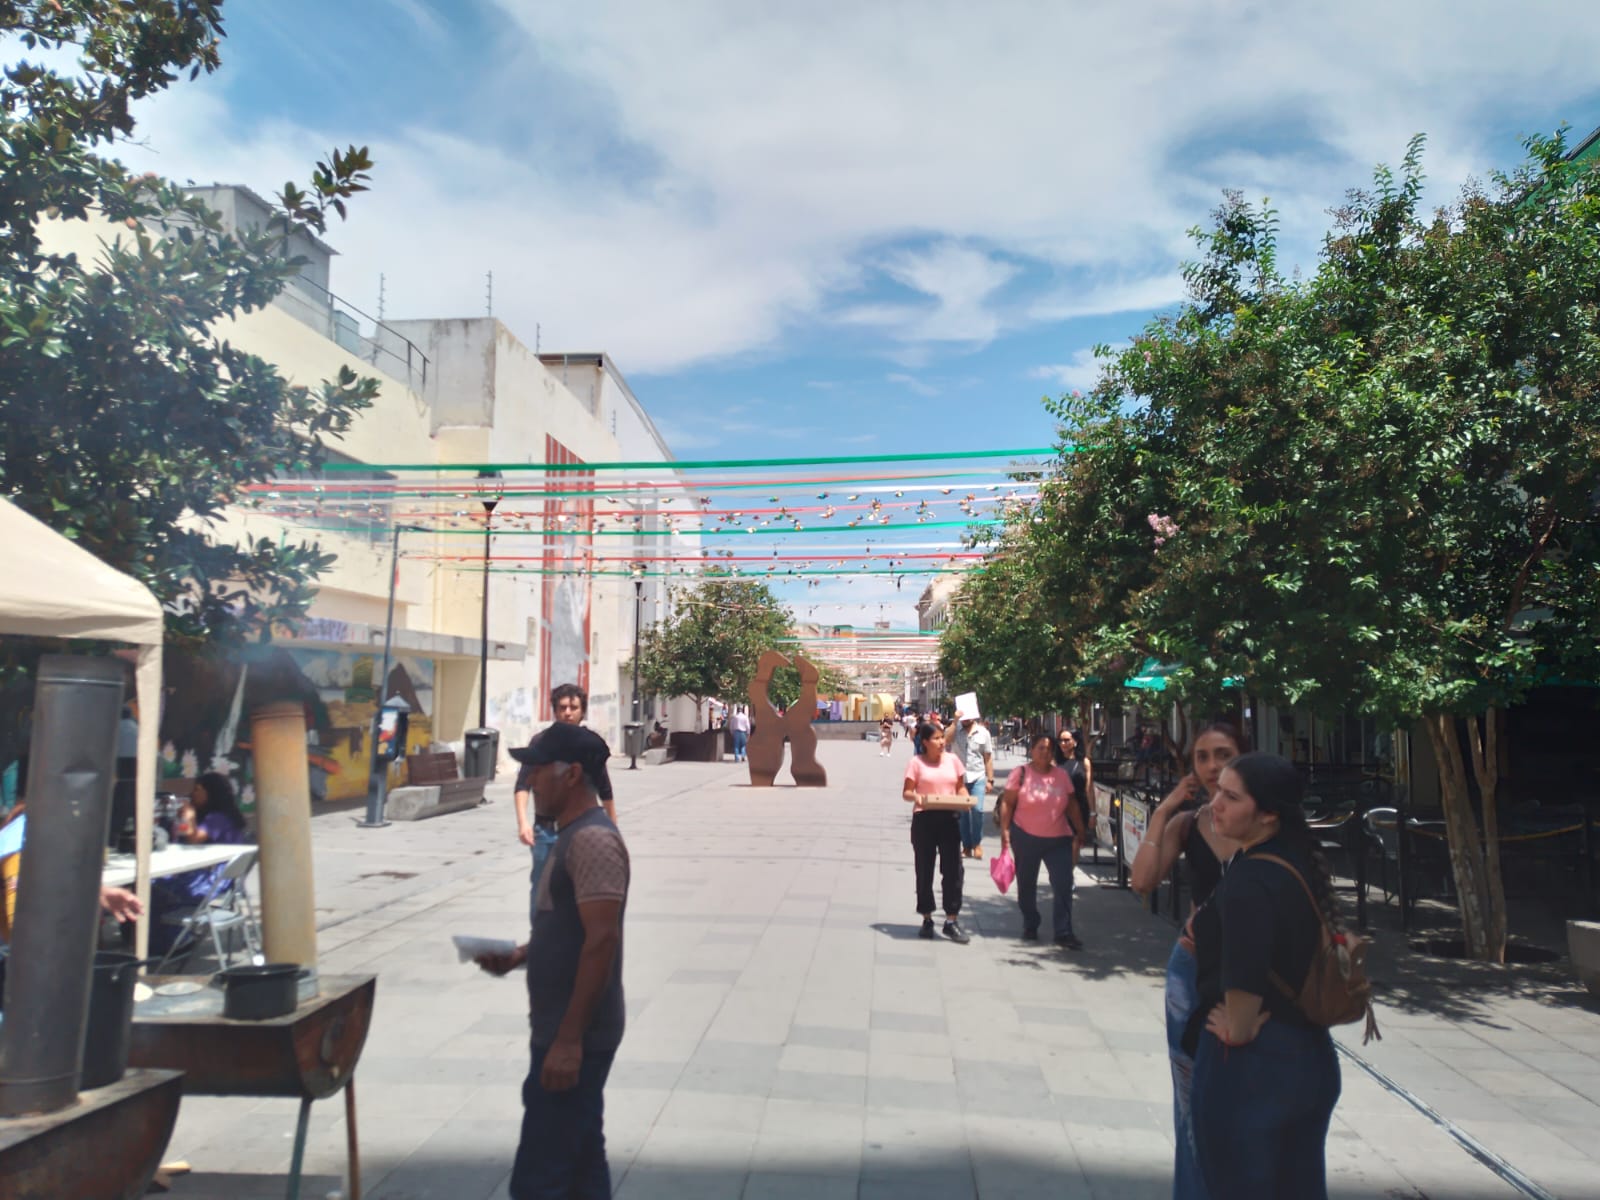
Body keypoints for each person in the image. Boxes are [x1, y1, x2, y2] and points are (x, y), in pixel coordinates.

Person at [478, 722, 630, 1200]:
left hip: (576, 1034)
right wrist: (520, 956)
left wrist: (568, 1040)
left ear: (571, 774)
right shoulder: (569, 835)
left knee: (541, 1176)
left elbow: (601, 941)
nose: (530, 781)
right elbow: (572, 930)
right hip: (561, 1028)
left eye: (537, 770)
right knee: (581, 1160)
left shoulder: (592, 840)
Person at [1189, 752, 1342, 1198]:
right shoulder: (1292, 860)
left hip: (1254, 1065)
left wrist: (1236, 1025)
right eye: (1218, 791)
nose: (1216, 803)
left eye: (1232, 797)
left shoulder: (1251, 880)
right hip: (1308, 1056)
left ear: (1269, 813)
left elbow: (1246, 970)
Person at [1129, 721, 1245, 1200]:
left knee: (1244, 1098)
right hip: (1193, 971)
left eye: (1223, 754)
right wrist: (1163, 812)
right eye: (1202, 757)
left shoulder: (1266, 825)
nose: (1213, 766)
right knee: (1191, 1097)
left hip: (1251, 973)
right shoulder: (1188, 825)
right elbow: (1142, 882)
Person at [513, 684, 617, 925]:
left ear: (582, 711)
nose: (567, 712)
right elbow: (523, 784)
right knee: (542, 886)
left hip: (583, 830)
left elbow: (605, 789)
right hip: (546, 831)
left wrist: (613, 828)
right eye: (562, 708)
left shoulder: (589, 745)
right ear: (554, 711)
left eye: (573, 707)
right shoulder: (541, 742)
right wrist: (523, 823)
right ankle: (539, 934)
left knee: (581, 887)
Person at [998, 733, 1085, 948]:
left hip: (1059, 839)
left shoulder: (1061, 776)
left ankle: (1063, 931)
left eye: (1049, 749)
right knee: (1026, 884)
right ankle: (1030, 923)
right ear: (1031, 750)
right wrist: (1005, 830)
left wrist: (1080, 829)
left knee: (1063, 884)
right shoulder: (1020, 773)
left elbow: (1072, 804)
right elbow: (1008, 803)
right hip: (1025, 837)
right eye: (1040, 748)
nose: (1045, 752)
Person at [150, 771, 250, 953]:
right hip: (209, 873)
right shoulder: (212, 816)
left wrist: (188, 816)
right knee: (156, 884)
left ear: (210, 792)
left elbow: (194, 838)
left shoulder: (218, 818)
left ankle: (171, 942)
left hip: (214, 878)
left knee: (157, 889)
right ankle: (163, 940)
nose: (192, 794)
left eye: (197, 790)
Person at [901, 722, 970, 944]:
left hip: (949, 818)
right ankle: (927, 918)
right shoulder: (916, 763)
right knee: (924, 869)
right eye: (936, 738)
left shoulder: (953, 761)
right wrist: (918, 798)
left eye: (942, 737)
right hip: (925, 819)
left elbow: (960, 786)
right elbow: (907, 792)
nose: (941, 742)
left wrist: (965, 798)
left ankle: (951, 920)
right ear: (925, 742)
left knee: (953, 870)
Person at [946, 708, 994, 859]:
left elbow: (988, 757)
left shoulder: (983, 733)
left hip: (977, 776)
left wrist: (990, 779)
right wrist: (955, 720)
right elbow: (946, 740)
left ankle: (977, 843)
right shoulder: (955, 729)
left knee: (978, 810)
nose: (965, 719)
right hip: (959, 778)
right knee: (963, 814)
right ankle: (966, 846)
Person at [1055, 728, 1096, 848]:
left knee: (1075, 841)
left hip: (1080, 807)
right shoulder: (1055, 763)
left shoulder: (1084, 762)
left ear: (1075, 742)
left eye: (1066, 740)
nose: (1063, 743)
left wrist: (1093, 813)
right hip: (1060, 809)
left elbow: (1089, 789)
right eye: (1060, 740)